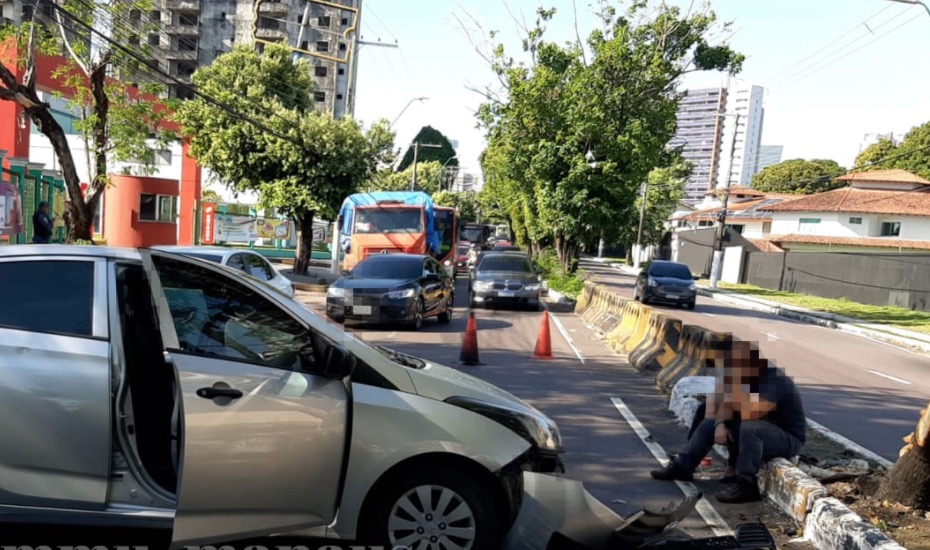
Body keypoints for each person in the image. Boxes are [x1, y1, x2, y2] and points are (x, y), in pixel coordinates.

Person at [651, 339, 806, 503]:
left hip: (786, 439)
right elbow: (725, 403)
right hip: (759, 430)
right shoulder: (745, 376)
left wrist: (736, 383)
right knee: (709, 423)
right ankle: (683, 466)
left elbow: (749, 413)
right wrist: (720, 424)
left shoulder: (775, 380)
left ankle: (746, 484)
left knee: (750, 427)